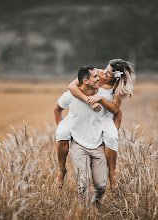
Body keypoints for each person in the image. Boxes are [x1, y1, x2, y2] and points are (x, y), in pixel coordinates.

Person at [56, 59, 135, 191]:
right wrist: (88, 100)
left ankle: (112, 174)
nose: (104, 73)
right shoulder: (95, 74)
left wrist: (101, 99)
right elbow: (71, 87)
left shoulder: (117, 87)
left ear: (116, 76)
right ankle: (61, 169)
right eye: (106, 68)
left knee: (111, 137)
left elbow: (116, 110)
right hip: (83, 114)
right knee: (61, 133)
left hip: (104, 116)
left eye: (109, 73)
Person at [54, 66, 108, 206]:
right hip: (78, 144)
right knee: (83, 185)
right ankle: (84, 213)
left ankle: (95, 203)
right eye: (95, 77)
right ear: (85, 80)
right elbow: (57, 108)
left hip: (98, 143)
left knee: (101, 186)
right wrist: (62, 126)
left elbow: (116, 110)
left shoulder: (103, 94)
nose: (99, 78)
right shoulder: (70, 95)